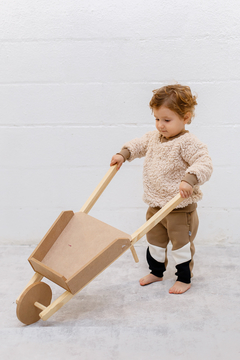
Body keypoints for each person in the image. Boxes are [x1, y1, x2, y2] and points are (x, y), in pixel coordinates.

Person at [110, 84, 213, 294]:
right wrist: (124, 154)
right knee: (154, 242)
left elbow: (204, 163)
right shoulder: (153, 138)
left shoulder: (188, 143)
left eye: (167, 120)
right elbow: (138, 144)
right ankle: (156, 272)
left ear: (185, 117)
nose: (160, 125)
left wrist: (189, 179)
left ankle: (184, 278)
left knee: (180, 246)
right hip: (156, 205)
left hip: (179, 208)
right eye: (157, 119)